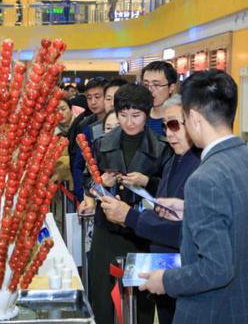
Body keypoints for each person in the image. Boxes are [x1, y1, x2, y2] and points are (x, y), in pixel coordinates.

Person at [138, 70, 248, 324]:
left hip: (220, 311)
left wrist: (164, 280)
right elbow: (243, 219)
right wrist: (190, 209)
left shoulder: (204, 179)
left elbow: (216, 269)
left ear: (194, 118)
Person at [100, 94, 200, 324]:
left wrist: (130, 216)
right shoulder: (175, 159)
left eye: (174, 125)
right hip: (164, 264)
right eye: (165, 126)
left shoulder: (201, 166)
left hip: (185, 274)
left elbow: (184, 231)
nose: (169, 133)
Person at [81, 84, 172, 324]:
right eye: (123, 115)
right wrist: (99, 182)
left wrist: (148, 182)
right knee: (101, 295)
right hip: (106, 228)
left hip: (140, 231)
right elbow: (87, 178)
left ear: (147, 113)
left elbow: (170, 191)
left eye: (136, 116)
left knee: (142, 294)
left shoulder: (162, 147)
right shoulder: (102, 143)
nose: (130, 122)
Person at [70, 79, 107, 202]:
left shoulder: (120, 122)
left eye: (97, 97)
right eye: (89, 98)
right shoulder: (84, 124)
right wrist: (82, 195)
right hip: (90, 189)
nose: (93, 102)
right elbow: (78, 164)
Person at [141, 61, 178, 136]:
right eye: (146, 85)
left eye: (156, 84)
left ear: (171, 87)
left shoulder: (179, 119)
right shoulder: (140, 117)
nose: (150, 90)